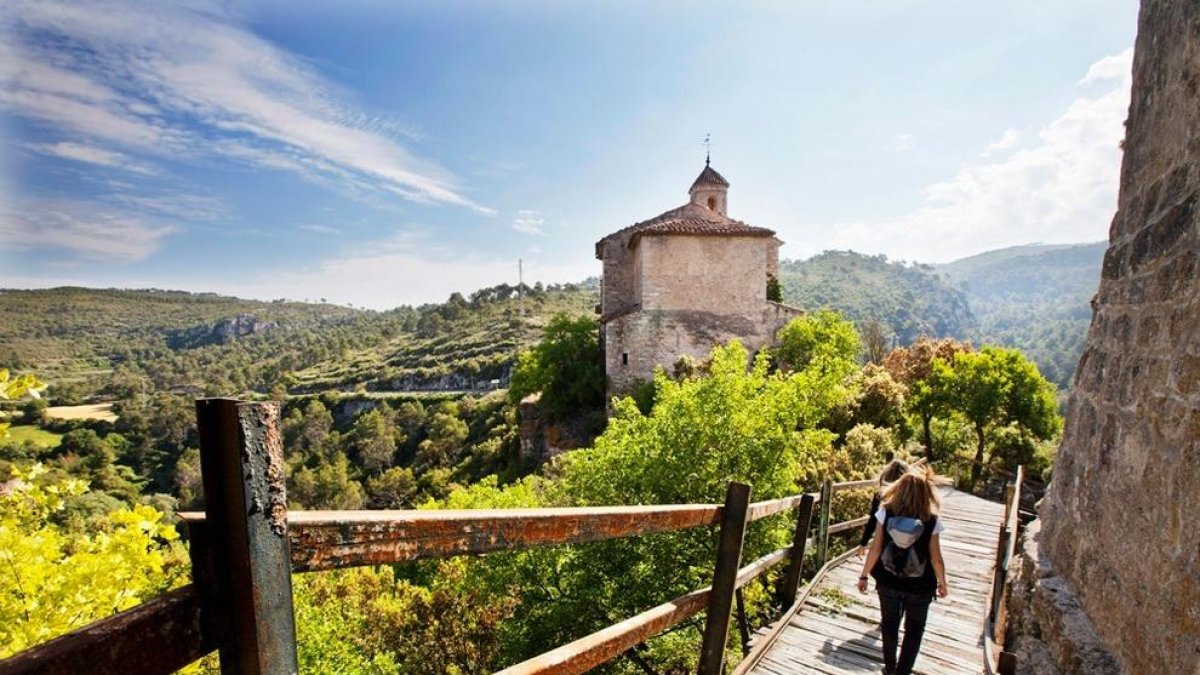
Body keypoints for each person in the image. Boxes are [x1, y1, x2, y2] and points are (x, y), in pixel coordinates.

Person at [855, 466, 948, 675]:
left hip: (888, 581)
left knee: (889, 626)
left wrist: (864, 575)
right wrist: (942, 583)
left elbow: (876, 548)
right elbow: (936, 559)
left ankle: (889, 669)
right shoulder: (931, 520)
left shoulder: (885, 513)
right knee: (914, 631)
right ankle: (902, 672)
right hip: (920, 586)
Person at [856, 458, 910, 558]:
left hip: (885, 545)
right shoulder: (911, 497)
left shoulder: (880, 496)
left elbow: (873, 520)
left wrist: (863, 543)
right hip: (909, 543)